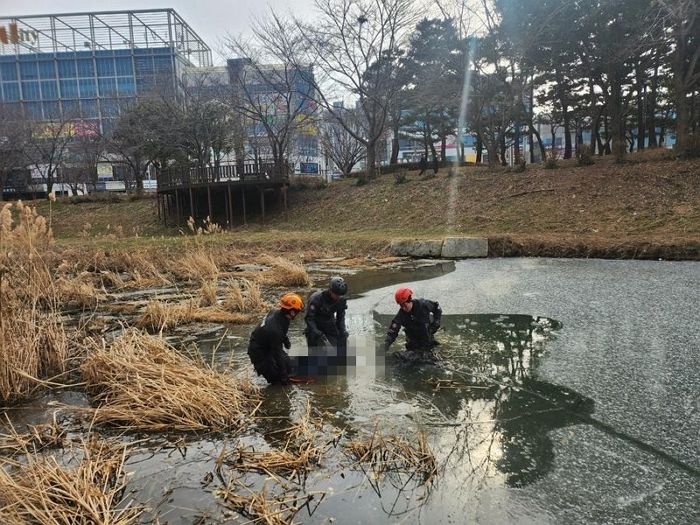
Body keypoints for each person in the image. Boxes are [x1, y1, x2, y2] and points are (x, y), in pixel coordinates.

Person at [247, 292, 304, 385]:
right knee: (278, 380)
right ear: (292, 311)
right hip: (259, 352)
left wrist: (285, 340)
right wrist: (283, 375)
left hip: (270, 343)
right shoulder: (274, 329)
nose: (298, 314)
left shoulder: (278, 313)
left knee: (289, 367)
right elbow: (277, 354)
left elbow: (281, 331)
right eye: (297, 311)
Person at [383, 287, 442, 363]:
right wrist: (384, 346)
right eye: (401, 306)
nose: (403, 308)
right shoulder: (401, 315)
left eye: (404, 305)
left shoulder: (423, 305)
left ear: (409, 300)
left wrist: (436, 323)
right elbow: (392, 333)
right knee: (398, 359)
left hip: (427, 343)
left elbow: (437, 308)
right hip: (413, 346)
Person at [304, 276, 349, 357]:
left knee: (340, 344)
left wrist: (343, 331)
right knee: (316, 353)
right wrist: (316, 332)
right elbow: (309, 318)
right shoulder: (316, 299)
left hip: (329, 322)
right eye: (336, 295)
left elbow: (340, 317)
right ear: (330, 291)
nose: (338, 297)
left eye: (340, 295)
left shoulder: (341, 299)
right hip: (315, 324)